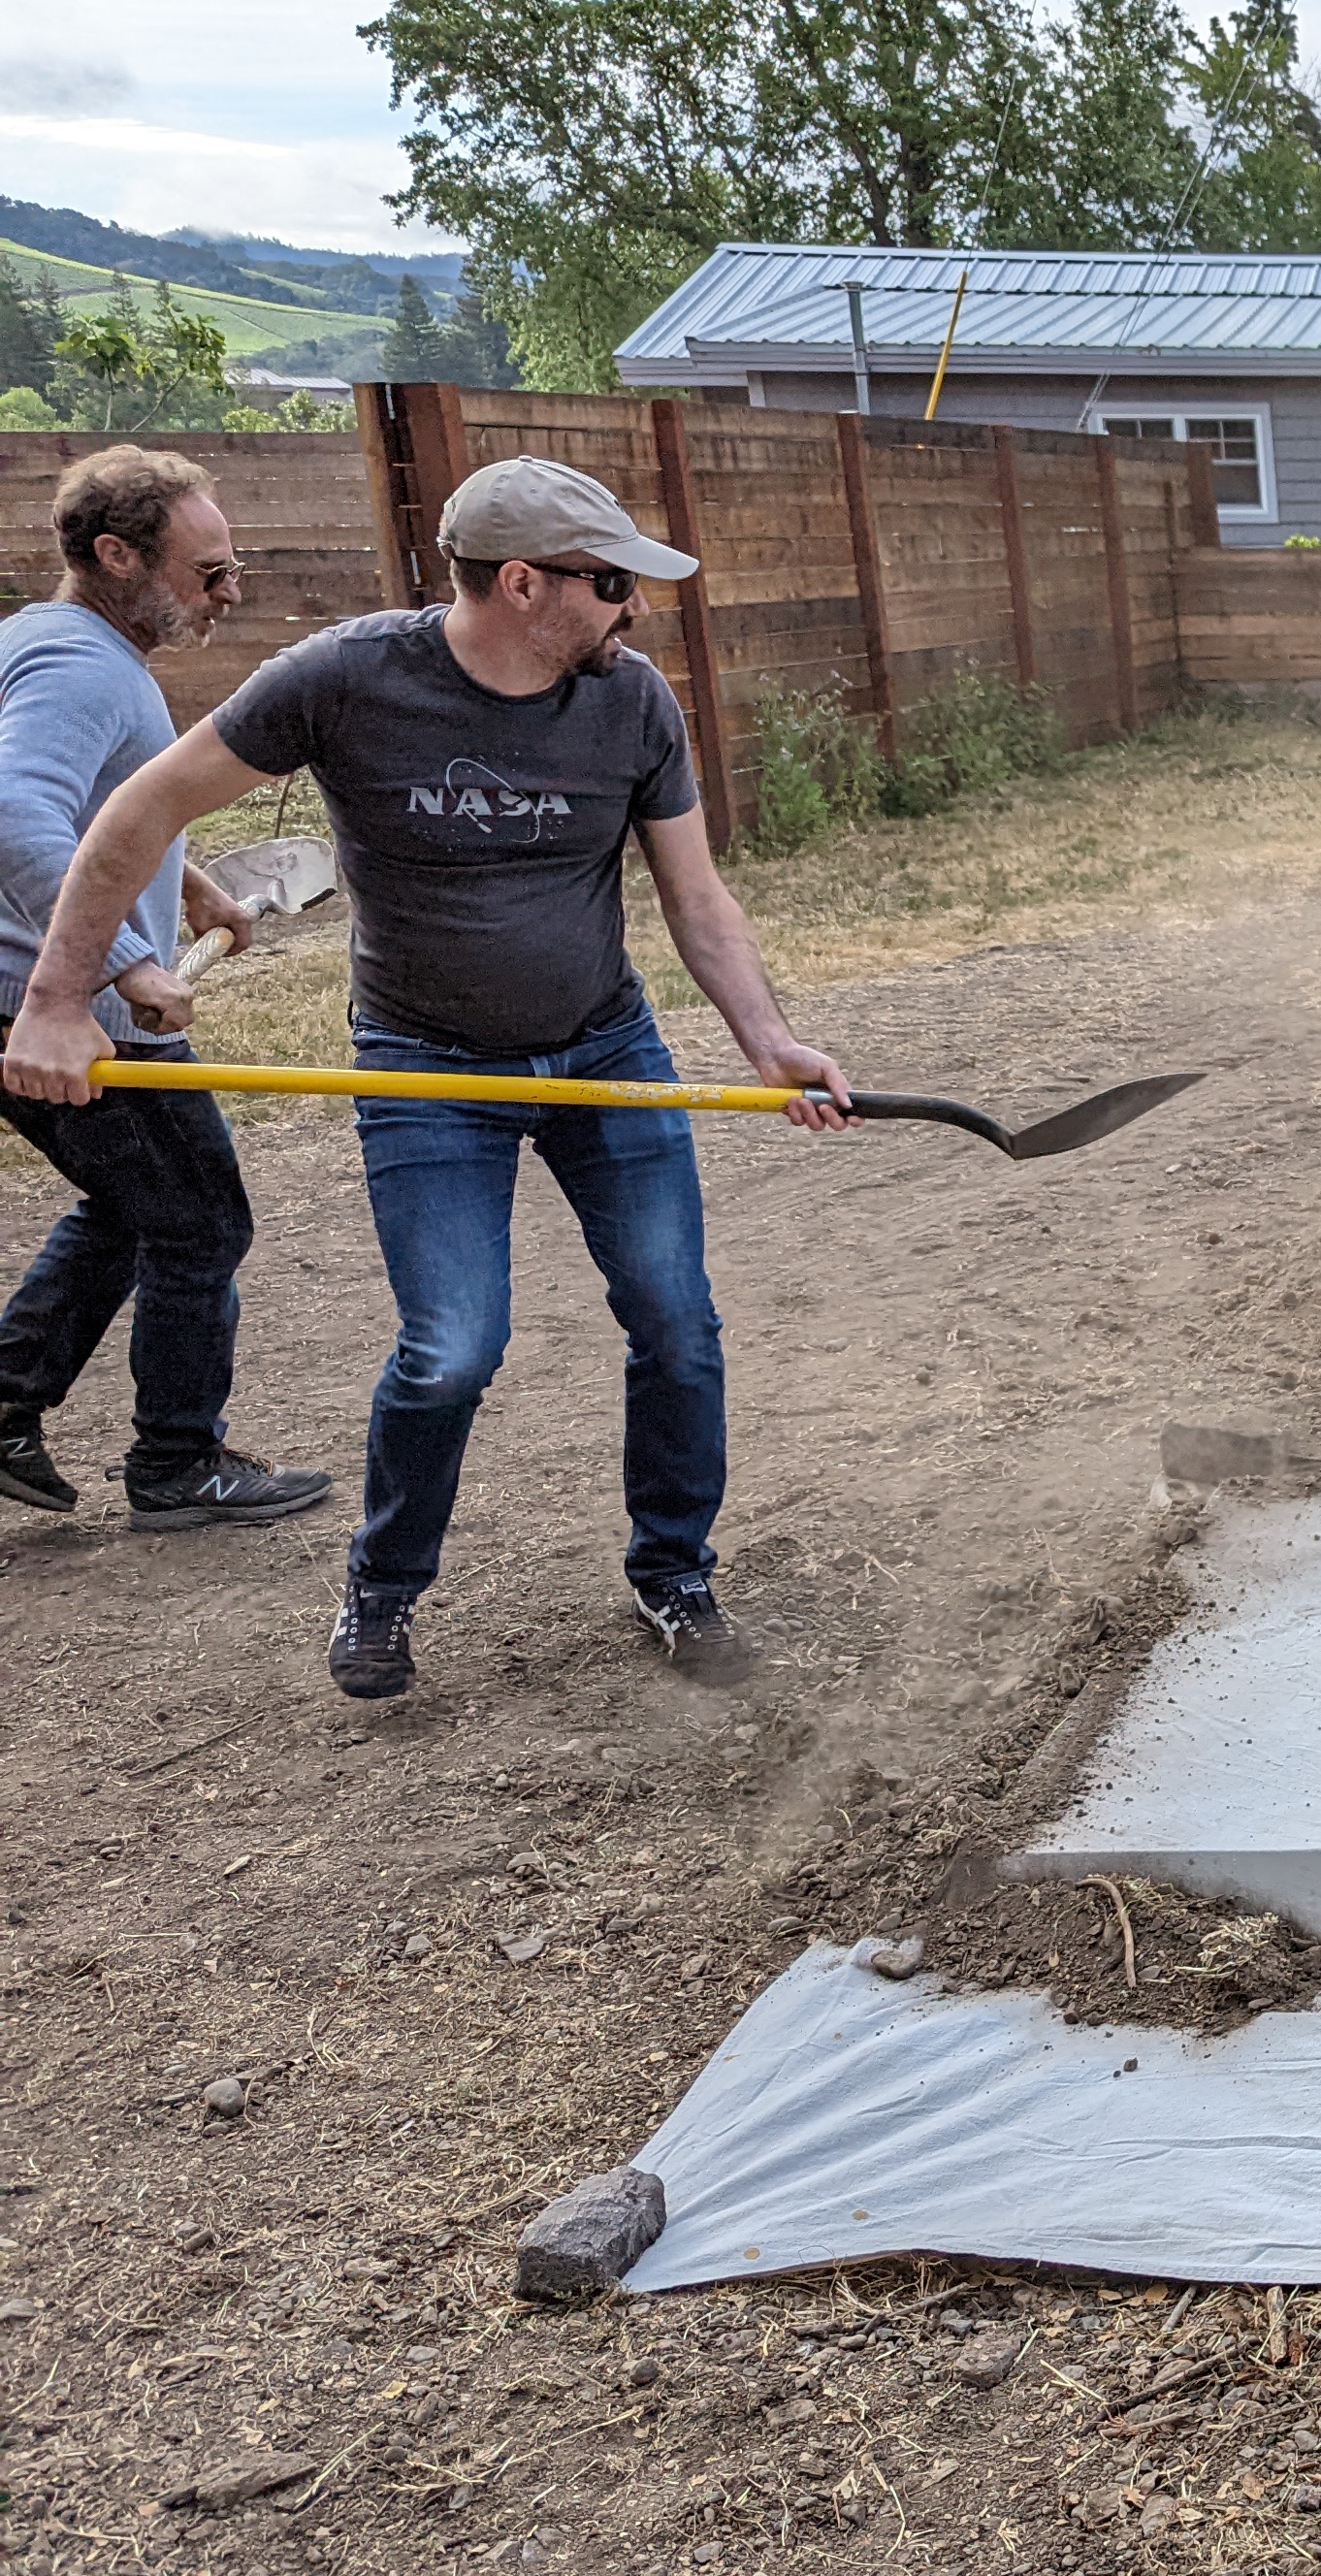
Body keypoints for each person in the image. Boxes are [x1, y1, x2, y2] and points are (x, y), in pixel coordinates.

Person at [1, 456, 852, 1699]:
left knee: (677, 1323)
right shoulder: (343, 679)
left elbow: (697, 895)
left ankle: (675, 1571)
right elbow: (137, 811)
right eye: (611, 583)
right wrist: (57, 997)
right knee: (452, 1347)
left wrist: (767, 1040)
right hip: (426, 1066)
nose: (632, 607)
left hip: (604, 1049)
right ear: (523, 583)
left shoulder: (631, 702)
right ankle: (384, 1587)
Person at [0, 446, 335, 1530]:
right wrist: (121, 963)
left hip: (42, 996)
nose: (228, 594)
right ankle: (178, 1465)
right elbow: (13, 810)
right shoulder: (83, 667)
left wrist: (188, 885)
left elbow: (103, 810)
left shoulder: (44, 643)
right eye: (208, 572)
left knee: (134, 1205)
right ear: (116, 555)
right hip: (63, 1009)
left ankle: (7, 1399)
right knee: (198, 1223)